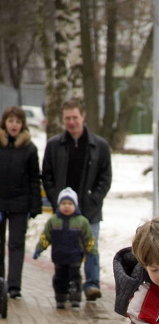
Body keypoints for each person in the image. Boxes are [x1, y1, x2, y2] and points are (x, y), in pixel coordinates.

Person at [42, 98, 111, 301]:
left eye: (75, 117)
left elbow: (105, 178)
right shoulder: (54, 145)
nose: (71, 122)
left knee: (91, 247)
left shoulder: (100, 146)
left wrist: (94, 199)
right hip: (63, 211)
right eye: (67, 118)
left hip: (90, 209)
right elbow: (47, 175)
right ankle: (66, 287)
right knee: (65, 252)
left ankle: (91, 284)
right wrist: (57, 200)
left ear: (83, 117)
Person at [0, 106, 41, 298]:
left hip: (20, 204)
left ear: (22, 124)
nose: (14, 125)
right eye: (10, 121)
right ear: (4, 123)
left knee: (16, 245)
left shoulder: (29, 148)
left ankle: (14, 286)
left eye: (17, 121)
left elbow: (35, 178)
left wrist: (35, 205)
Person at [33, 187, 95, 309]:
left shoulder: (82, 221)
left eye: (70, 203)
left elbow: (89, 239)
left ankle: (75, 299)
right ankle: (60, 298)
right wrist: (39, 248)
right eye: (63, 203)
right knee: (59, 279)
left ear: (75, 205)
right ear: (59, 205)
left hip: (75, 257)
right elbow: (46, 236)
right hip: (59, 257)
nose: (66, 206)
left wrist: (92, 252)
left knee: (75, 279)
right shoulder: (53, 221)